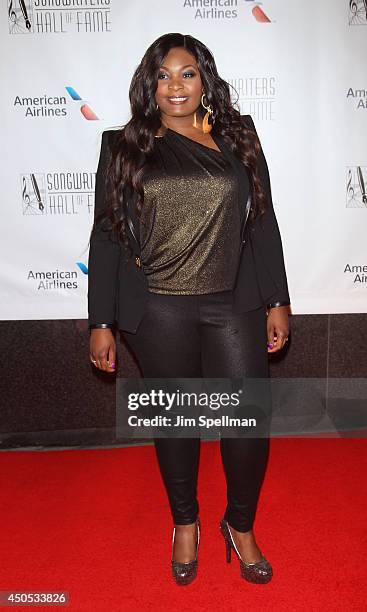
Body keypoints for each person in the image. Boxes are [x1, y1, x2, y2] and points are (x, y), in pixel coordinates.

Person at [88, 33, 291, 586]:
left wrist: (277, 298)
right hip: (157, 308)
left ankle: (240, 525)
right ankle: (185, 523)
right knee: (176, 421)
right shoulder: (125, 146)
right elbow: (106, 237)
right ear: (149, 85)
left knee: (247, 421)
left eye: (187, 73)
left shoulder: (238, 138)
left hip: (234, 301)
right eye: (163, 75)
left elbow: (264, 220)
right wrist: (101, 321)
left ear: (205, 80)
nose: (175, 85)